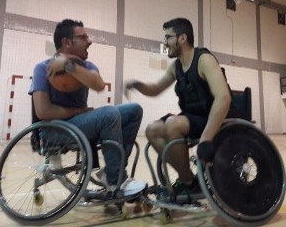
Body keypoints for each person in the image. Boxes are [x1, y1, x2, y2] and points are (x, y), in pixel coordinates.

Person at [29, 19, 146, 196]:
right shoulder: (42, 68)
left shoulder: (87, 66)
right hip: (54, 130)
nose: (89, 41)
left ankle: (110, 172)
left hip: (79, 126)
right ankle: (117, 181)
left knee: (133, 110)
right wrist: (79, 111)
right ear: (67, 42)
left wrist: (68, 66)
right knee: (108, 114)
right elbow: (43, 111)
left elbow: (99, 85)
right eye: (83, 37)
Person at [125, 17, 232, 195]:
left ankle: (188, 183)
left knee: (173, 124)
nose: (165, 42)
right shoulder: (177, 66)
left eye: (168, 37)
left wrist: (206, 137)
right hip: (192, 117)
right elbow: (155, 89)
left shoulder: (204, 59)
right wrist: (137, 84)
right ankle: (189, 181)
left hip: (214, 116)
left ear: (182, 38)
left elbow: (223, 98)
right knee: (153, 130)